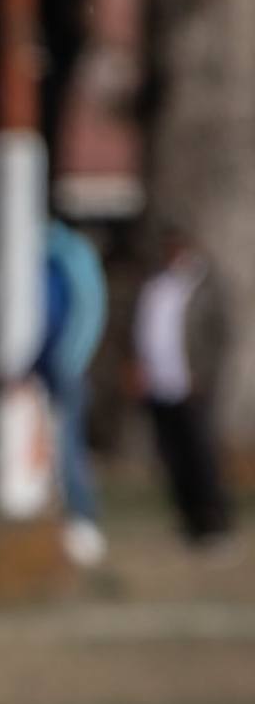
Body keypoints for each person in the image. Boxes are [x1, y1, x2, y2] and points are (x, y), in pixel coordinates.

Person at [133, 227, 235, 552]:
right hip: (159, 382)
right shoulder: (156, 284)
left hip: (191, 384)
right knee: (172, 456)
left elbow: (220, 335)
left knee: (201, 455)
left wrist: (203, 373)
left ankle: (215, 522)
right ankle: (189, 521)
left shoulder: (204, 285)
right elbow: (142, 327)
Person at [42, 219, 109, 567]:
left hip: (62, 367)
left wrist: (68, 360)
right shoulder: (62, 258)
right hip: (48, 366)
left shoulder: (63, 256)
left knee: (66, 446)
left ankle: (81, 520)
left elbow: (82, 311)